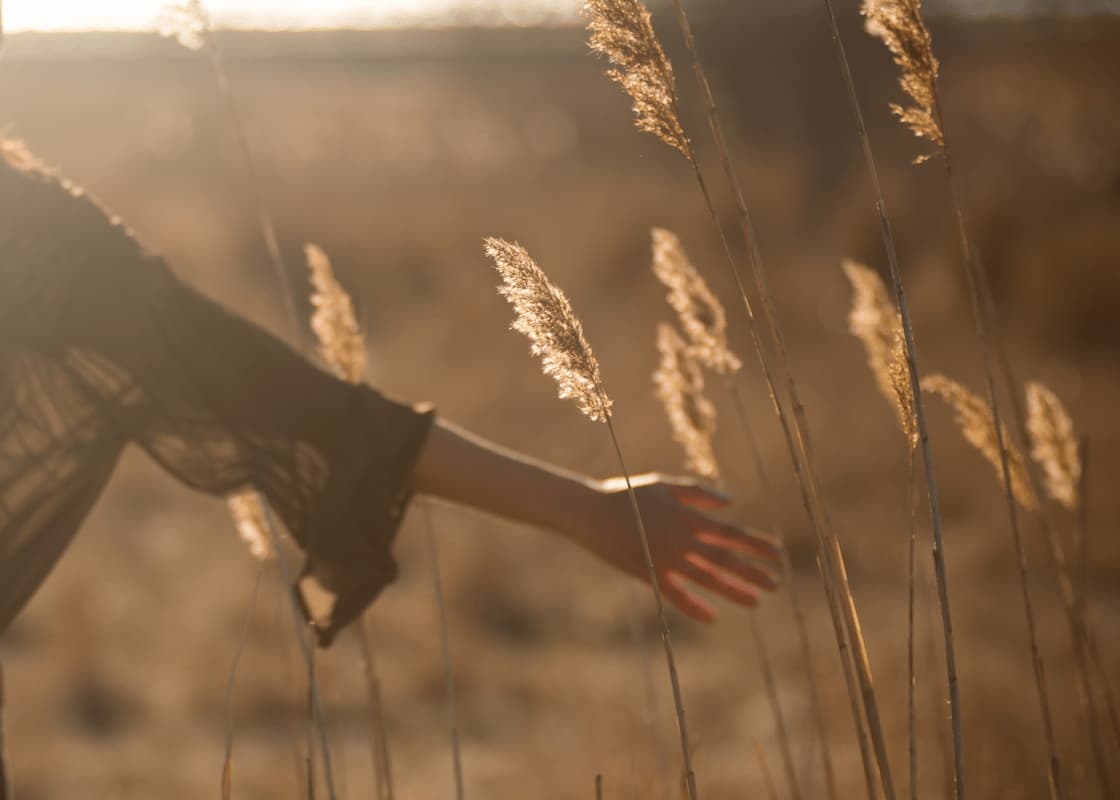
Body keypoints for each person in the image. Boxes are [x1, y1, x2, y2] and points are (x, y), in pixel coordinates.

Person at [0, 138, 778, 648]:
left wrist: (584, 507)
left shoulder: (35, 234)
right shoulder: (35, 234)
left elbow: (291, 402)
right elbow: (305, 409)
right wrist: (581, 507)